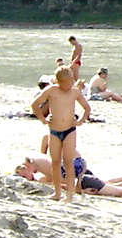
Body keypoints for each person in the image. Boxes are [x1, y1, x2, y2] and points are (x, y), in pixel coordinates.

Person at [29, 66, 91, 203]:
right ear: (58, 82)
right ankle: (57, 192)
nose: (68, 86)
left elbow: (87, 108)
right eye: (66, 84)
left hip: (69, 130)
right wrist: (44, 120)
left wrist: (80, 121)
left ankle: (69, 195)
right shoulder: (51, 90)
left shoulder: (75, 92)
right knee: (55, 162)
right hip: (54, 131)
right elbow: (34, 105)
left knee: (68, 162)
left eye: (70, 83)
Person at [13, 156, 122, 201]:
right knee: (116, 188)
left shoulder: (44, 172)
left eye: (24, 175)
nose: (27, 178)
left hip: (84, 181)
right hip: (83, 180)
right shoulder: (43, 176)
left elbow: (65, 184)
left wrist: (83, 191)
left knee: (119, 191)